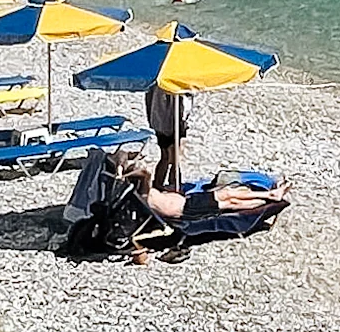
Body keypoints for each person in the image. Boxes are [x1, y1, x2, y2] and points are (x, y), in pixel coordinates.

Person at [58, 144, 287, 265]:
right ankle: (271, 198)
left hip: (187, 204)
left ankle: (270, 197)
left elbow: (134, 170)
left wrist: (120, 167)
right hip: (188, 209)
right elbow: (145, 173)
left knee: (230, 197)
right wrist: (126, 166)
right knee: (230, 197)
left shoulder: (138, 197)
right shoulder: (144, 193)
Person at [145, 79, 189, 192]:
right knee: (173, 156)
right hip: (170, 122)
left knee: (167, 156)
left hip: (162, 122)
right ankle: (172, 184)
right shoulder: (169, 84)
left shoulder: (154, 83)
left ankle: (160, 184)